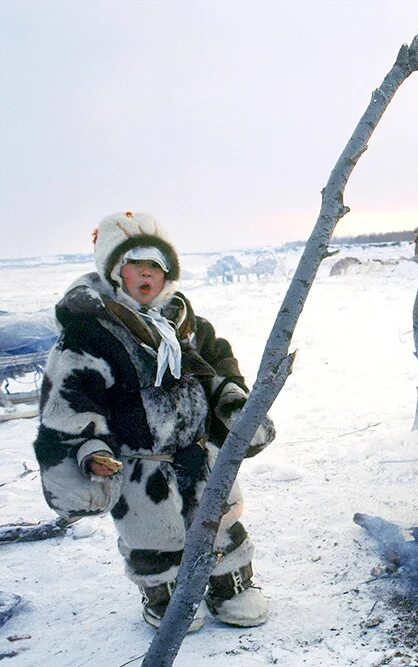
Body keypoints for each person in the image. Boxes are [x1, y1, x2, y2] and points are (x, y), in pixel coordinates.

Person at [32, 211, 276, 631]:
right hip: (139, 463)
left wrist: (232, 402)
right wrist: (90, 451)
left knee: (221, 521)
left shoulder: (187, 324)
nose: (146, 276)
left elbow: (217, 371)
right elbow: (71, 404)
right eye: (135, 268)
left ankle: (231, 584)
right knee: (154, 537)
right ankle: (164, 597)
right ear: (114, 272)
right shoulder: (89, 335)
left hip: (198, 453)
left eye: (155, 268)